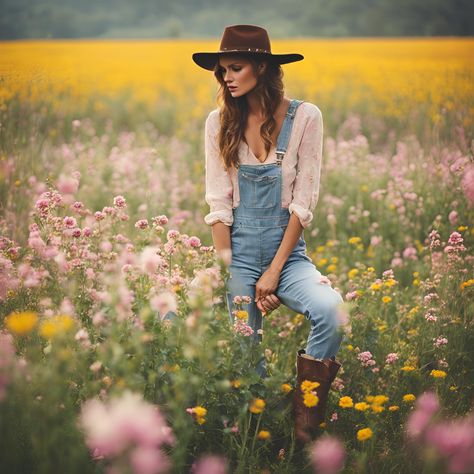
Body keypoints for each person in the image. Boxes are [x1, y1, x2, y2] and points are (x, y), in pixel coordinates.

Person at [192, 24, 344, 444]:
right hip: (237, 253)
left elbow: (302, 204)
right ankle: (254, 436)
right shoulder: (217, 123)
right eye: (222, 70)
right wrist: (231, 275)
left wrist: (274, 272)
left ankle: (305, 427)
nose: (226, 77)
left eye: (234, 68)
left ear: (262, 66)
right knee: (243, 350)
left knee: (331, 310)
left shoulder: (305, 117)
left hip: (289, 258)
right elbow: (219, 206)